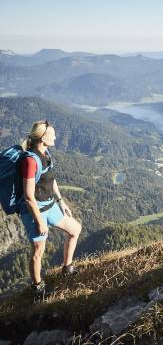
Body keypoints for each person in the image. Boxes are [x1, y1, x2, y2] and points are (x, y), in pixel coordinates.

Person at [19, 120, 82, 301]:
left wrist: (61, 201)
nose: (55, 136)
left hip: (50, 205)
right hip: (35, 211)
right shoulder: (30, 161)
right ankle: (38, 288)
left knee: (75, 229)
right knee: (38, 251)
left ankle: (67, 268)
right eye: (52, 134)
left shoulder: (45, 153)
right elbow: (29, 196)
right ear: (43, 137)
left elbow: (50, 179)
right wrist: (39, 221)